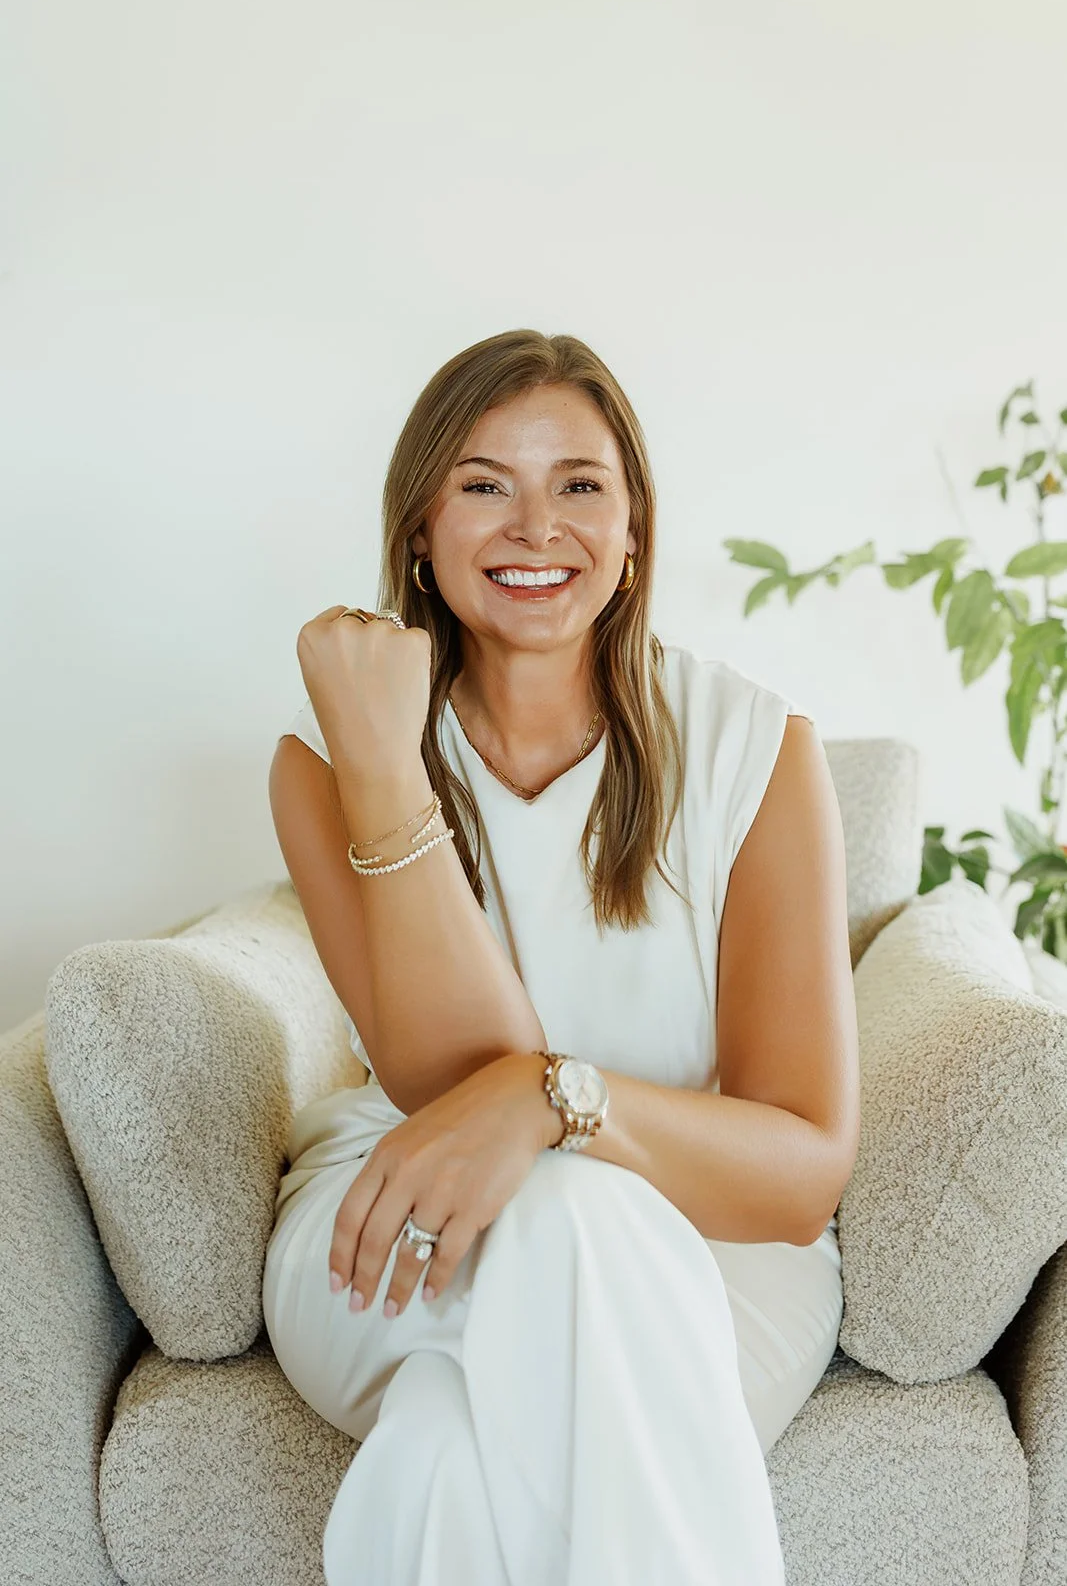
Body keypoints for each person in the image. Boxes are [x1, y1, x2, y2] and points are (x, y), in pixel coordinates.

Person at [262, 329, 860, 1585]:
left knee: (438, 1452)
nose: (536, 526)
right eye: (483, 484)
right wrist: (383, 770)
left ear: (634, 529)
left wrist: (553, 1103)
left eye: (578, 484)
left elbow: (800, 1168)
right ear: (419, 527)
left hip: (715, 1248)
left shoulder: (757, 751)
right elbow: (440, 1081)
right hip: (405, 1218)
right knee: (561, 1222)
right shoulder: (330, 766)